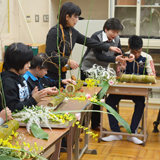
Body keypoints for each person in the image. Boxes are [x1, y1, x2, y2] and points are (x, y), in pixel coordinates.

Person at [80, 18, 135, 131]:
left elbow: (119, 52)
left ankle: (95, 124)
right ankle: (82, 126)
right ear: (106, 29)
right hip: (88, 70)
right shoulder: (97, 37)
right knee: (87, 99)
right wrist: (116, 59)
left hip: (102, 72)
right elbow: (99, 56)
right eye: (113, 32)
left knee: (99, 98)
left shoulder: (117, 39)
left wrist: (128, 56)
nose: (115, 34)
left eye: (117, 32)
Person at [45, 2, 122, 80]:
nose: (77, 20)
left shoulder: (71, 31)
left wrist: (109, 48)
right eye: (75, 16)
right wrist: (68, 61)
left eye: (78, 17)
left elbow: (89, 41)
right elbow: (50, 54)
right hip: (51, 72)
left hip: (62, 71)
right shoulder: (54, 32)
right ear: (67, 17)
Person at [102, 35, 156, 144]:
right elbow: (118, 75)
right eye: (134, 52)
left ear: (142, 48)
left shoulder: (147, 58)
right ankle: (115, 132)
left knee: (140, 104)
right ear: (129, 47)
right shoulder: (123, 56)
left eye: (139, 52)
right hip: (123, 89)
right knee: (109, 101)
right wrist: (121, 67)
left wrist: (147, 76)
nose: (136, 55)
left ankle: (132, 133)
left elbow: (152, 76)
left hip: (138, 91)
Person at [1, 43, 47, 112]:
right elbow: (12, 109)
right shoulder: (7, 82)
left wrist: (32, 96)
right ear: (18, 62)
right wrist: (33, 100)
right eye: (27, 62)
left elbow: (22, 100)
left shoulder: (20, 76)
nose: (29, 65)